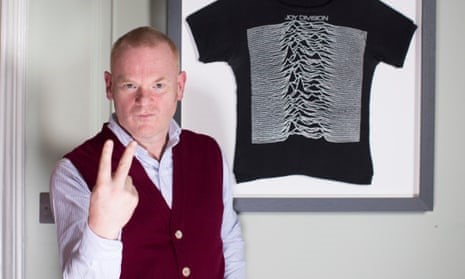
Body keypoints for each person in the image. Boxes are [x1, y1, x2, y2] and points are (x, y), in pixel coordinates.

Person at [50, 26, 245, 278]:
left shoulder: (209, 152)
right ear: (109, 87)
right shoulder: (73, 172)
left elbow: (229, 243)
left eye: (158, 85)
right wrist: (102, 229)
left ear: (180, 86)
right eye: (130, 85)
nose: (144, 100)